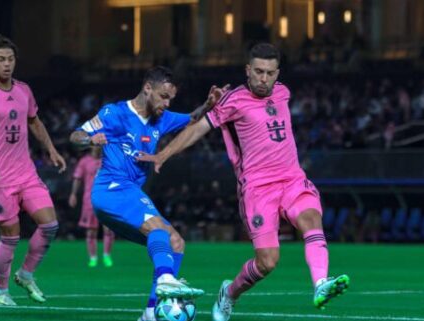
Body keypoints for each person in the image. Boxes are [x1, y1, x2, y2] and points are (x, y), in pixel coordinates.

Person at [138, 43, 350, 320]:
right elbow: (198, 128)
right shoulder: (233, 100)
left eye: (270, 73)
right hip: (258, 188)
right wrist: (163, 154)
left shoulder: (283, 92)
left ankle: (320, 284)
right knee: (267, 262)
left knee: (311, 218)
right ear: (248, 70)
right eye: (259, 71)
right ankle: (230, 293)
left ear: (278, 73)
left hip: (292, 179)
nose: (264, 78)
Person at [70, 66, 227, 321]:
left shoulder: (161, 119)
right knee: (157, 227)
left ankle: (151, 313)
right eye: (163, 96)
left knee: (176, 243)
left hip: (129, 193)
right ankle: (166, 279)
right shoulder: (114, 113)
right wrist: (90, 141)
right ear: (147, 88)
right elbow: (75, 136)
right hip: (112, 189)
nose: (166, 103)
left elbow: (191, 119)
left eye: (170, 99)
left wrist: (208, 105)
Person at [0, 35, 66, 306]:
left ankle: (26, 274)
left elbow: (35, 121)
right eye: (1, 60)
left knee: (50, 225)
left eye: (11, 59)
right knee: (11, 238)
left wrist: (51, 150)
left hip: (26, 173)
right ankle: (0, 291)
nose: (7, 65)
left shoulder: (24, 90)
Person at [68, 146, 115, 268]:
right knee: (91, 231)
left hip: (107, 198)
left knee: (109, 228)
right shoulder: (84, 161)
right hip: (89, 200)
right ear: (91, 146)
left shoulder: (108, 159)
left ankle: (106, 255)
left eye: (99, 145)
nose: (97, 147)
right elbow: (77, 178)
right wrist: (73, 194)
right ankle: (93, 257)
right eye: (95, 144)